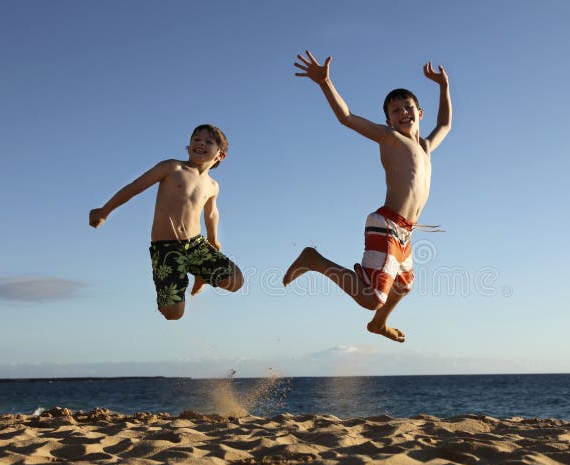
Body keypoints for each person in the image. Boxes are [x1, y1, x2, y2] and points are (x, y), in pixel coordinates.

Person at [283, 51, 452, 342]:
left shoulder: (425, 146)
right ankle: (314, 260)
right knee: (372, 297)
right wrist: (325, 82)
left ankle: (378, 324)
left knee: (404, 285)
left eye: (408, 107)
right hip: (385, 223)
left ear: (419, 112)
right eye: (395, 111)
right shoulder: (389, 138)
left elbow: (446, 124)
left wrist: (444, 86)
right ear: (387, 120)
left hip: (405, 232)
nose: (403, 113)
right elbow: (346, 117)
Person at [89, 124, 244, 320]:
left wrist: (214, 239)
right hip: (166, 248)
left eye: (208, 142)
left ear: (220, 155)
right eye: (196, 140)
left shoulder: (213, 186)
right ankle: (178, 284)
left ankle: (200, 274)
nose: (200, 144)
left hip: (195, 245)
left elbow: (211, 213)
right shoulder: (172, 167)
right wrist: (105, 210)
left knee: (235, 281)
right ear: (188, 146)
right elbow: (135, 187)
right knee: (174, 314)